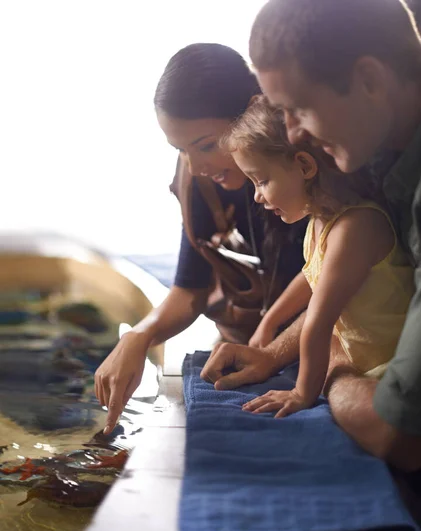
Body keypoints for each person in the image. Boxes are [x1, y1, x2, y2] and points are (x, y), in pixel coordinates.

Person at [201, 0, 421, 471]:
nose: (294, 134)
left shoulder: (364, 210)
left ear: (370, 80)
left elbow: (398, 434)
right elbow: (321, 279)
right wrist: (272, 348)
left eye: (298, 109)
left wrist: (331, 373)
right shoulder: (376, 159)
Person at [95, 43, 306, 435]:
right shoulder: (200, 178)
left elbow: (336, 283)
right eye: (181, 150)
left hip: (312, 342)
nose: (196, 167)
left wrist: (275, 352)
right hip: (245, 345)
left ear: (253, 111)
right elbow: (190, 288)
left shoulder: (304, 170)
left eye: (206, 145)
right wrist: (139, 337)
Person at [220, 95, 413, 418]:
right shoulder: (320, 220)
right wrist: (270, 321)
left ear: (305, 166)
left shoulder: (356, 227)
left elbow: (318, 323)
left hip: (387, 370)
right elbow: (311, 277)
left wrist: (301, 393)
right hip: (360, 361)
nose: (257, 196)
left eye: (262, 180)